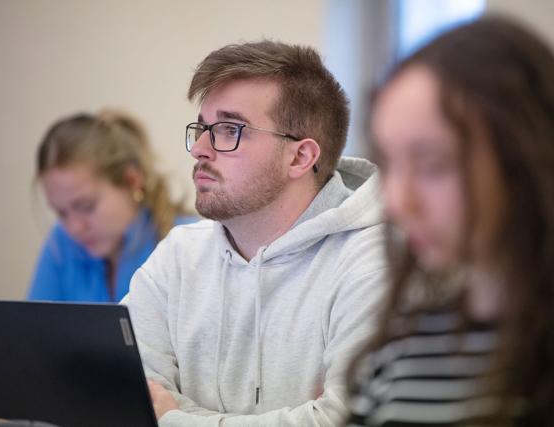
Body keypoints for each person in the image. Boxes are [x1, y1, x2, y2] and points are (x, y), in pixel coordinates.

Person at [123, 40, 387, 425]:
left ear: (300, 157)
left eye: (229, 129)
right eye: (202, 127)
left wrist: (178, 418)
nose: (199, 148)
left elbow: (345, 421)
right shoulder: (177, 256)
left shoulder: (373, 263)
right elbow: (126, 400)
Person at [345, 16, 554, 426]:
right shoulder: (397, 356)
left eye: (432, 165)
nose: (398, 203)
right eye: (389, 164)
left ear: (526, 159)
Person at [28, 109, 196, 302]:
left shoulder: (189, 242)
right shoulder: (61, 242)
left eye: (86, 206)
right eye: (61, 213)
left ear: (132, 180)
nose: (75, 227)